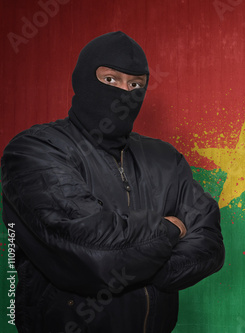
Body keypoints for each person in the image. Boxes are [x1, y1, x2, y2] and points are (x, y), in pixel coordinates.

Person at [1, 31, 225, 332]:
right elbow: (93, 254)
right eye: (110, 80)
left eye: (135, 84)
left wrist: (137, 264)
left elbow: (208, 244)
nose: (124, 92)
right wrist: (171, 229)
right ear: (82, 80)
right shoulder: (34, 150)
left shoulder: (165, 158)